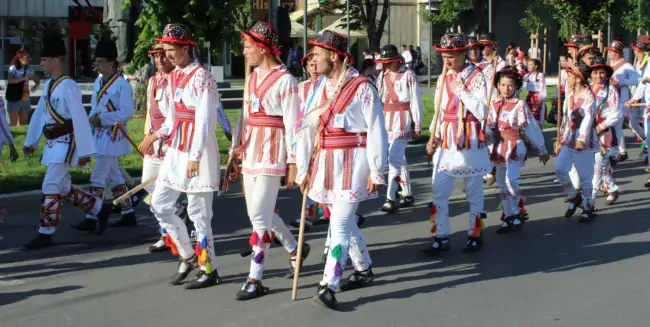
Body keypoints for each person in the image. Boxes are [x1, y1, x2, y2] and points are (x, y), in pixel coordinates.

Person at [294, 30, 387, 309]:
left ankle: (328, 285)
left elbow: (376, 130)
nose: (313, 59)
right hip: (325, 164)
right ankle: (364, 269)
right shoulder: (319, 88)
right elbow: (307, 130)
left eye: (318, 54)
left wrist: (377, 169)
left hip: (353, 163)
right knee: (339, 217)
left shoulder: (362, 87)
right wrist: (303, 169)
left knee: (340, 225)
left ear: (334, 57)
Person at [138, 23, 223, 289]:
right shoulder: (173, 77)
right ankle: (187, 255)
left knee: (199, 214)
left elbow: (206, 121)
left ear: (186, 47)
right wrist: (155, 135)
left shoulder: (203, 77)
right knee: (160, 204)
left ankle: (208, 268)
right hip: (176, 151)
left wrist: (195, 157)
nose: (167, 54)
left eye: (171, 49)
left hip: (198, 153)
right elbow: (173, 119)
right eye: (164, 49)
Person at [230, 21, 309, 300]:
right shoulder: (251, 78)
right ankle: (294, 248)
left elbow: (293, 125)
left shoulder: (286, 81)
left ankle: (255, 278)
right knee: (257, 212)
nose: (244, 51)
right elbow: (244, 115)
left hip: (273, 152)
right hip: (251, 150)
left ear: (263, 49)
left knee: (259, 218)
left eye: (248, 46)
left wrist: (294, 161)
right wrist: (234, 148)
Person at [22, 27, 113, 250]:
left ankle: (46, 231)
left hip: (66, 143)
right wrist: (30, 140)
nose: (41, 64)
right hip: (53, 143)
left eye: (44, 60)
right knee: (62, 188)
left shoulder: (69, 85)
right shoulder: (49, 85)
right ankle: (99, 209)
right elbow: (41, 116)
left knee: (50, 184)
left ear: (55, 59)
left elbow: (80, 119)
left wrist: (84, 152)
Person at [422, 33, 489, 255]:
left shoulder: (477, 76)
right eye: (444, 56)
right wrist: (433, 136)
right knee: (439, 190)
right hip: (446, 139)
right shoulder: (443, 78)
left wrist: (462, 92)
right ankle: (441, 235)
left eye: (451, 56)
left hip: (469, 138)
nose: (447, 61)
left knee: (473, 191)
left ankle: (474, 233)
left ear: (462, 53)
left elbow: (482, 111)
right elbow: (440, 110)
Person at [70, 29, 137, 232]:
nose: (97, 65)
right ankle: (128, 213)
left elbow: (127, 112)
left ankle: (93, 215)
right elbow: (95, 105)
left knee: (98, 176)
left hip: (113, 135)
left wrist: (104, 118)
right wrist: (93, 119)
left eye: (100, 61)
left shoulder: (122, 85)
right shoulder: (99, 81)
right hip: (100, 133)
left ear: (111, 63)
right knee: (115, 176)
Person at [135, 43, 191, 253]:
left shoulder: (177, 80)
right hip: (153, 142)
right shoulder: (152, 81)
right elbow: (150, 111)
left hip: (170, 143)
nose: (159, 61)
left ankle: (167, 234)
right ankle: (177, 214)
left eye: (163, 56)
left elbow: (176, 116)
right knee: (148, 187)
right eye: (156, 57)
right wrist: (146, 138)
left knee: (164, 191)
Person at [486, 66, 549, 233]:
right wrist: (483, 136)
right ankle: (508, 215)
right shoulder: (493, 104)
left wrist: (541, 147)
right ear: (497, 85)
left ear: (515, 87)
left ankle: (517, 211)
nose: (506, 89)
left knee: (510, 181)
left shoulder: (519, 105)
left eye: (510, 85)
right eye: (503, 85)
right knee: (501, 184)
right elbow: (490, 127)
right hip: (499, 147)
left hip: (514, 146)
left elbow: (529, 127)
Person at [375, 44, 422, 212]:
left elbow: (415, 101)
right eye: (384, 62)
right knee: (399, 158)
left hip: (403, 119)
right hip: (387, 120)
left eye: (389, 62)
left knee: (393, 158)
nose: (386, 65)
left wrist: (417, 124)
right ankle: (407, 193)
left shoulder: (408, 75)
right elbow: (379, 99)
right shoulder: (382, 77)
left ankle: (390, 197)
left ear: (397, 60)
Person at [555, 61, 598, 222]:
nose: (568, 78)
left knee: (585, 176)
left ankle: (588, 206)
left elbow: (588, 118)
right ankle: (574, 195)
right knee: (560, 169)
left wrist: (581, 139)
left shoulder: (588, 96)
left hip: (584, 139)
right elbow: (568, 119)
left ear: (579, 79)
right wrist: (561, 138)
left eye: (571, 75)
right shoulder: (571, 93)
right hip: (570, 137)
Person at [589, 55, 622, 206]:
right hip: (588, 131)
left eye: (601, 72)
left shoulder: (611, 90)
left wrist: (600, 127)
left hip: (605, 132)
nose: (598, 76)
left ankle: (591, 199)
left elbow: (616, 114)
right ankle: (612, 188)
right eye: (595, 72)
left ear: (607, 73)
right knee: (598, 165)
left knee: (599, 164)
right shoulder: (587, 87)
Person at [606, 40, 639, 162]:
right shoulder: (608, 64)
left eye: (612, 51)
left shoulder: (626, 66)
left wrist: (622, 83)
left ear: (617, 53)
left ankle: (617, 151)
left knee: (616, 124)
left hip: (621, 99)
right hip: (610, 99)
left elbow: (636, 79)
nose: (609, 52)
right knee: (613, 125)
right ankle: (620, 150)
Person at [6, 49, 40, 126]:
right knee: (13, 124)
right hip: (14, 99)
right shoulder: (13, 68)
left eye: (29, 57)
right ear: (20, 58)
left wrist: (36, 85)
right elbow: (10, 80)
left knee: (24, 124)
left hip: (25, 99)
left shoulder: (29, 69)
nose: (29, 59)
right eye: (27, 57)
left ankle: (23, 138)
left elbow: (37, 80)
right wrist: (24, 78)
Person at [523, 59, 547, 126]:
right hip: (529, 98)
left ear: (536, 66)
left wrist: (540, 100)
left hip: (537, 98)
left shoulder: (540, 75)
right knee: (529, 118)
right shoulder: (526, 76)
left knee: (537, 117)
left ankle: (539, 134)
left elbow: (543, 88)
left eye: (530, 64)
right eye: (528, 64)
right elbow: (522, 87)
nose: (528, 66)